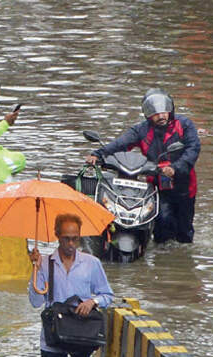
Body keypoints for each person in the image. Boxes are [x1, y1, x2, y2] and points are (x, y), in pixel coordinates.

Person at [85, 89, 200, 244]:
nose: (161, 116)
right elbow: (121, 143)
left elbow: (193, 148)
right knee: (162, 225)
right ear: (147, 114)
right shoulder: (141, 130)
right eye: (155, 112)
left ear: (170, 109)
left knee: (185, 230)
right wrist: (98, 154)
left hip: (184, 184)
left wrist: (175, 168)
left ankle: (180, 259)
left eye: (164, 111)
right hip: (157, 185)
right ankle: (161, 256)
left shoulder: (184, 125)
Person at [28, 214, 115, 357]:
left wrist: (92, 302)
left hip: (82, 333)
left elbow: (107, 295)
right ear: (57, 236)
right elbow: (36, 302)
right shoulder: (45, 264)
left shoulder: (91, 263)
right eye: (66, 238)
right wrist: (35, 269)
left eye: (75, 239)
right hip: (53, 334)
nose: (70, 244)